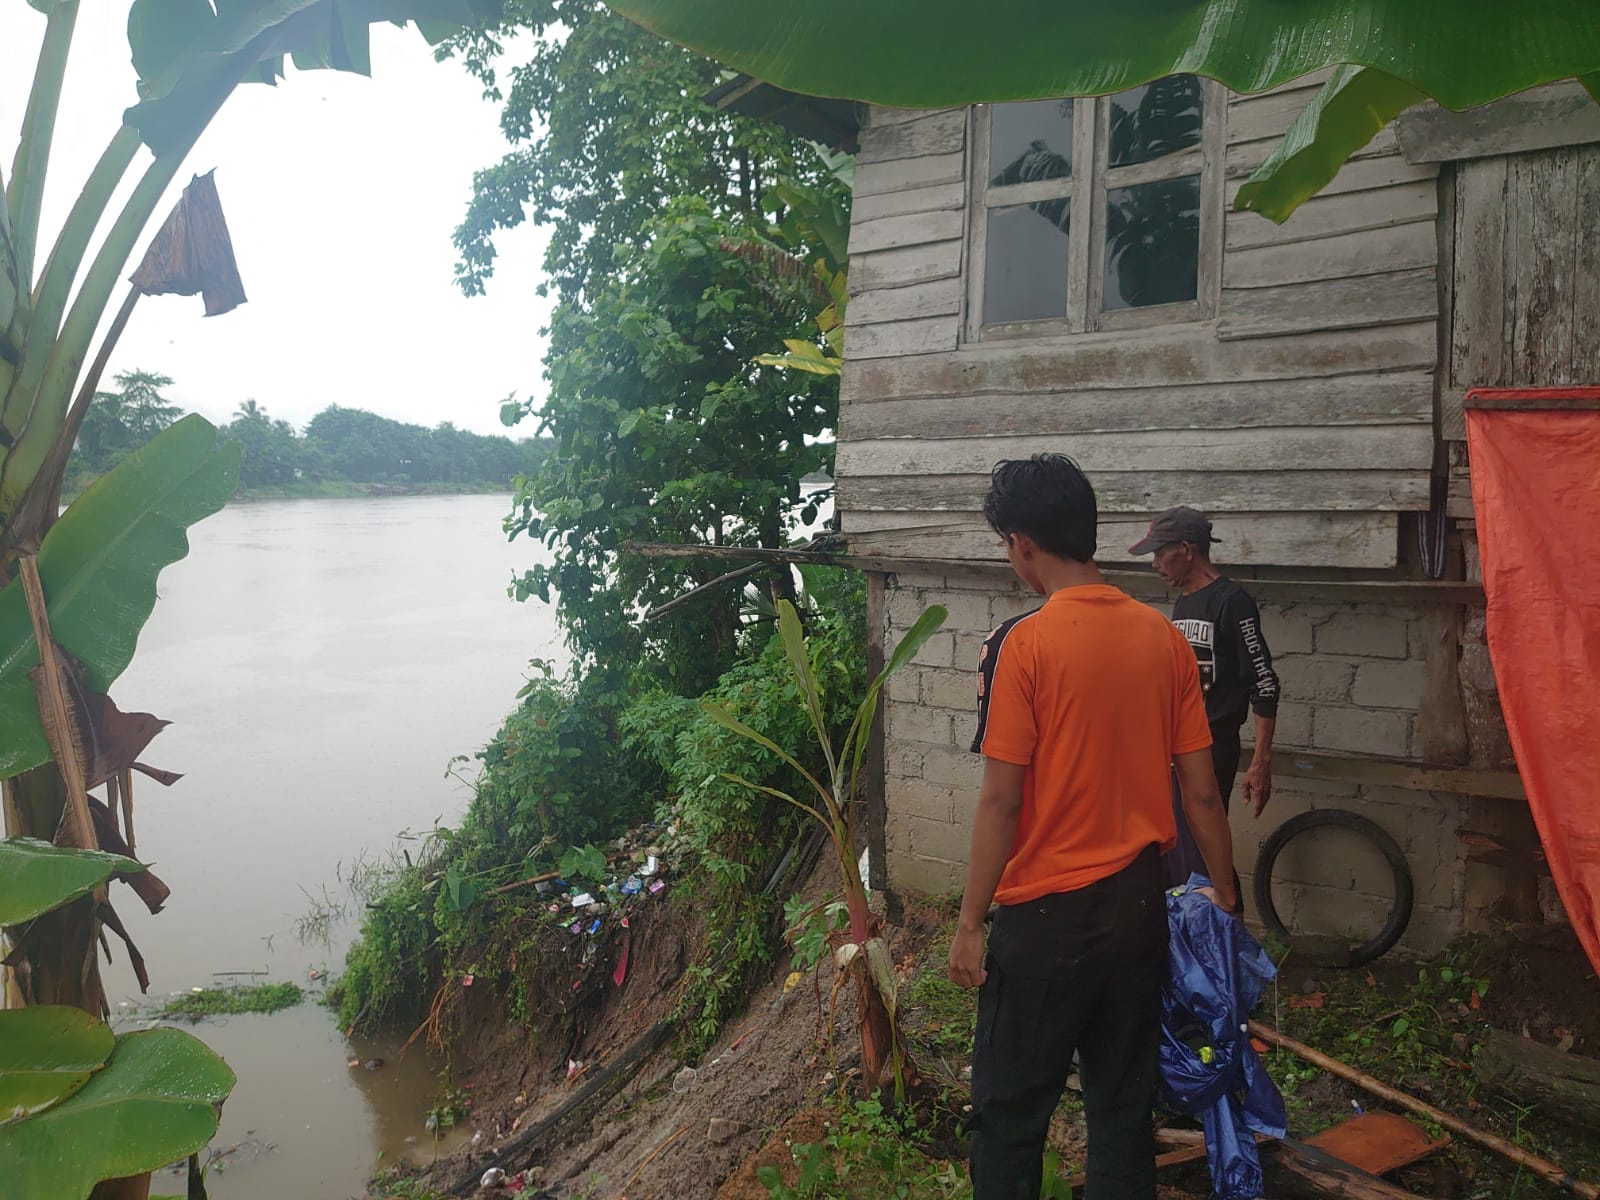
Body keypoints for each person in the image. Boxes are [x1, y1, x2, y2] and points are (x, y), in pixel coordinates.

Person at [948, 455, 1240, 1200]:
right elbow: (1201, 794)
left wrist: (971, 920)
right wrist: (1228, 894)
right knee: (1119, 1109)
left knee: (1011, 1116)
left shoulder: (1027, 644)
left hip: (1045, 923)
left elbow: (1002, 803)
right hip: (1140, 911)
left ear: (1021, 543)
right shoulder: (1162, 637)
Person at [1128, 507, 1280, 820]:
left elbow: (1264, 683)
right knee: (1181, 848)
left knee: (1203, 843)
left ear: (1186, 550)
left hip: (1213, 748)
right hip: (1180, 745)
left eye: (1160, 553)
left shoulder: (1232, 602)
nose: (1155, 564)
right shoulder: (1184, 602)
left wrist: (1261, 761)